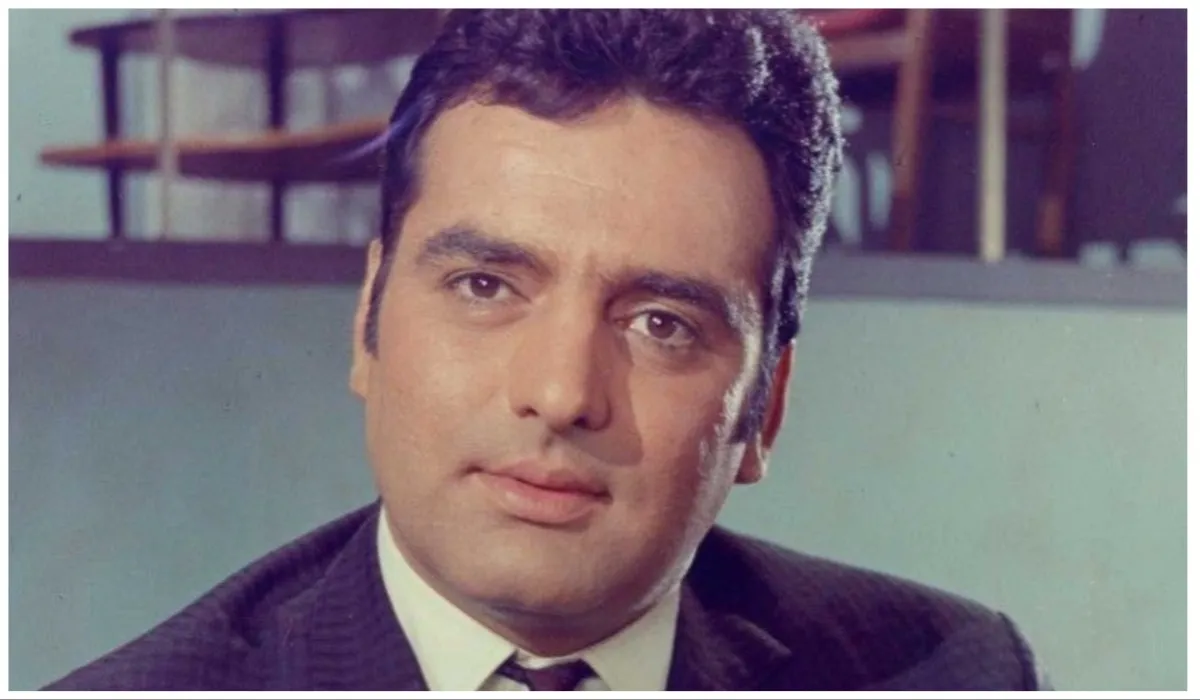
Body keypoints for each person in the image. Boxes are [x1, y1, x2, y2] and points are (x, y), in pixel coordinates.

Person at [46, 9, 1046, 691]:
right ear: (368, 323)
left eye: (662, 323)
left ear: (764, 410)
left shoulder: (952, 675)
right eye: (486, 286)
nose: (562, 392)